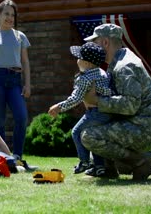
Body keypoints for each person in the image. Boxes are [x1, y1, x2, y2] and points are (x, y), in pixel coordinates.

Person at [81, 23, 151, 181]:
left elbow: (130, 106)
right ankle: (111, 167)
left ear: (105, 42)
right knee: (96, 124)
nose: (92, 47)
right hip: (137, 126)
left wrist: (97, 101)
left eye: (95, 42)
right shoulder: (118, 62)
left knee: (89, 136)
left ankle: (141, 162)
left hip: (144, 129)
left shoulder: (125, 66)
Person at [0, 0, 37, 171]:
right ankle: (1, 158)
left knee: (21, 117)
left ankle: (17, 157)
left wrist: (27, 84)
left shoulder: (20, 36)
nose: (10, 18)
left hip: (15, 80)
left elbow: (26, 62)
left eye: (12, 15)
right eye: (6, 14)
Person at [48, 42, 112, 176]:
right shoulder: (102, 73)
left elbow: (76, 98)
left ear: (87, 63)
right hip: (107, 111)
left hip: (95, 112)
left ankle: (84, 162)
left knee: (76, 132)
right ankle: (99, 167)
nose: (77, 60)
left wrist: (59, 107)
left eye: (79, 58)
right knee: (94, 136)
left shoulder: (85, 78)